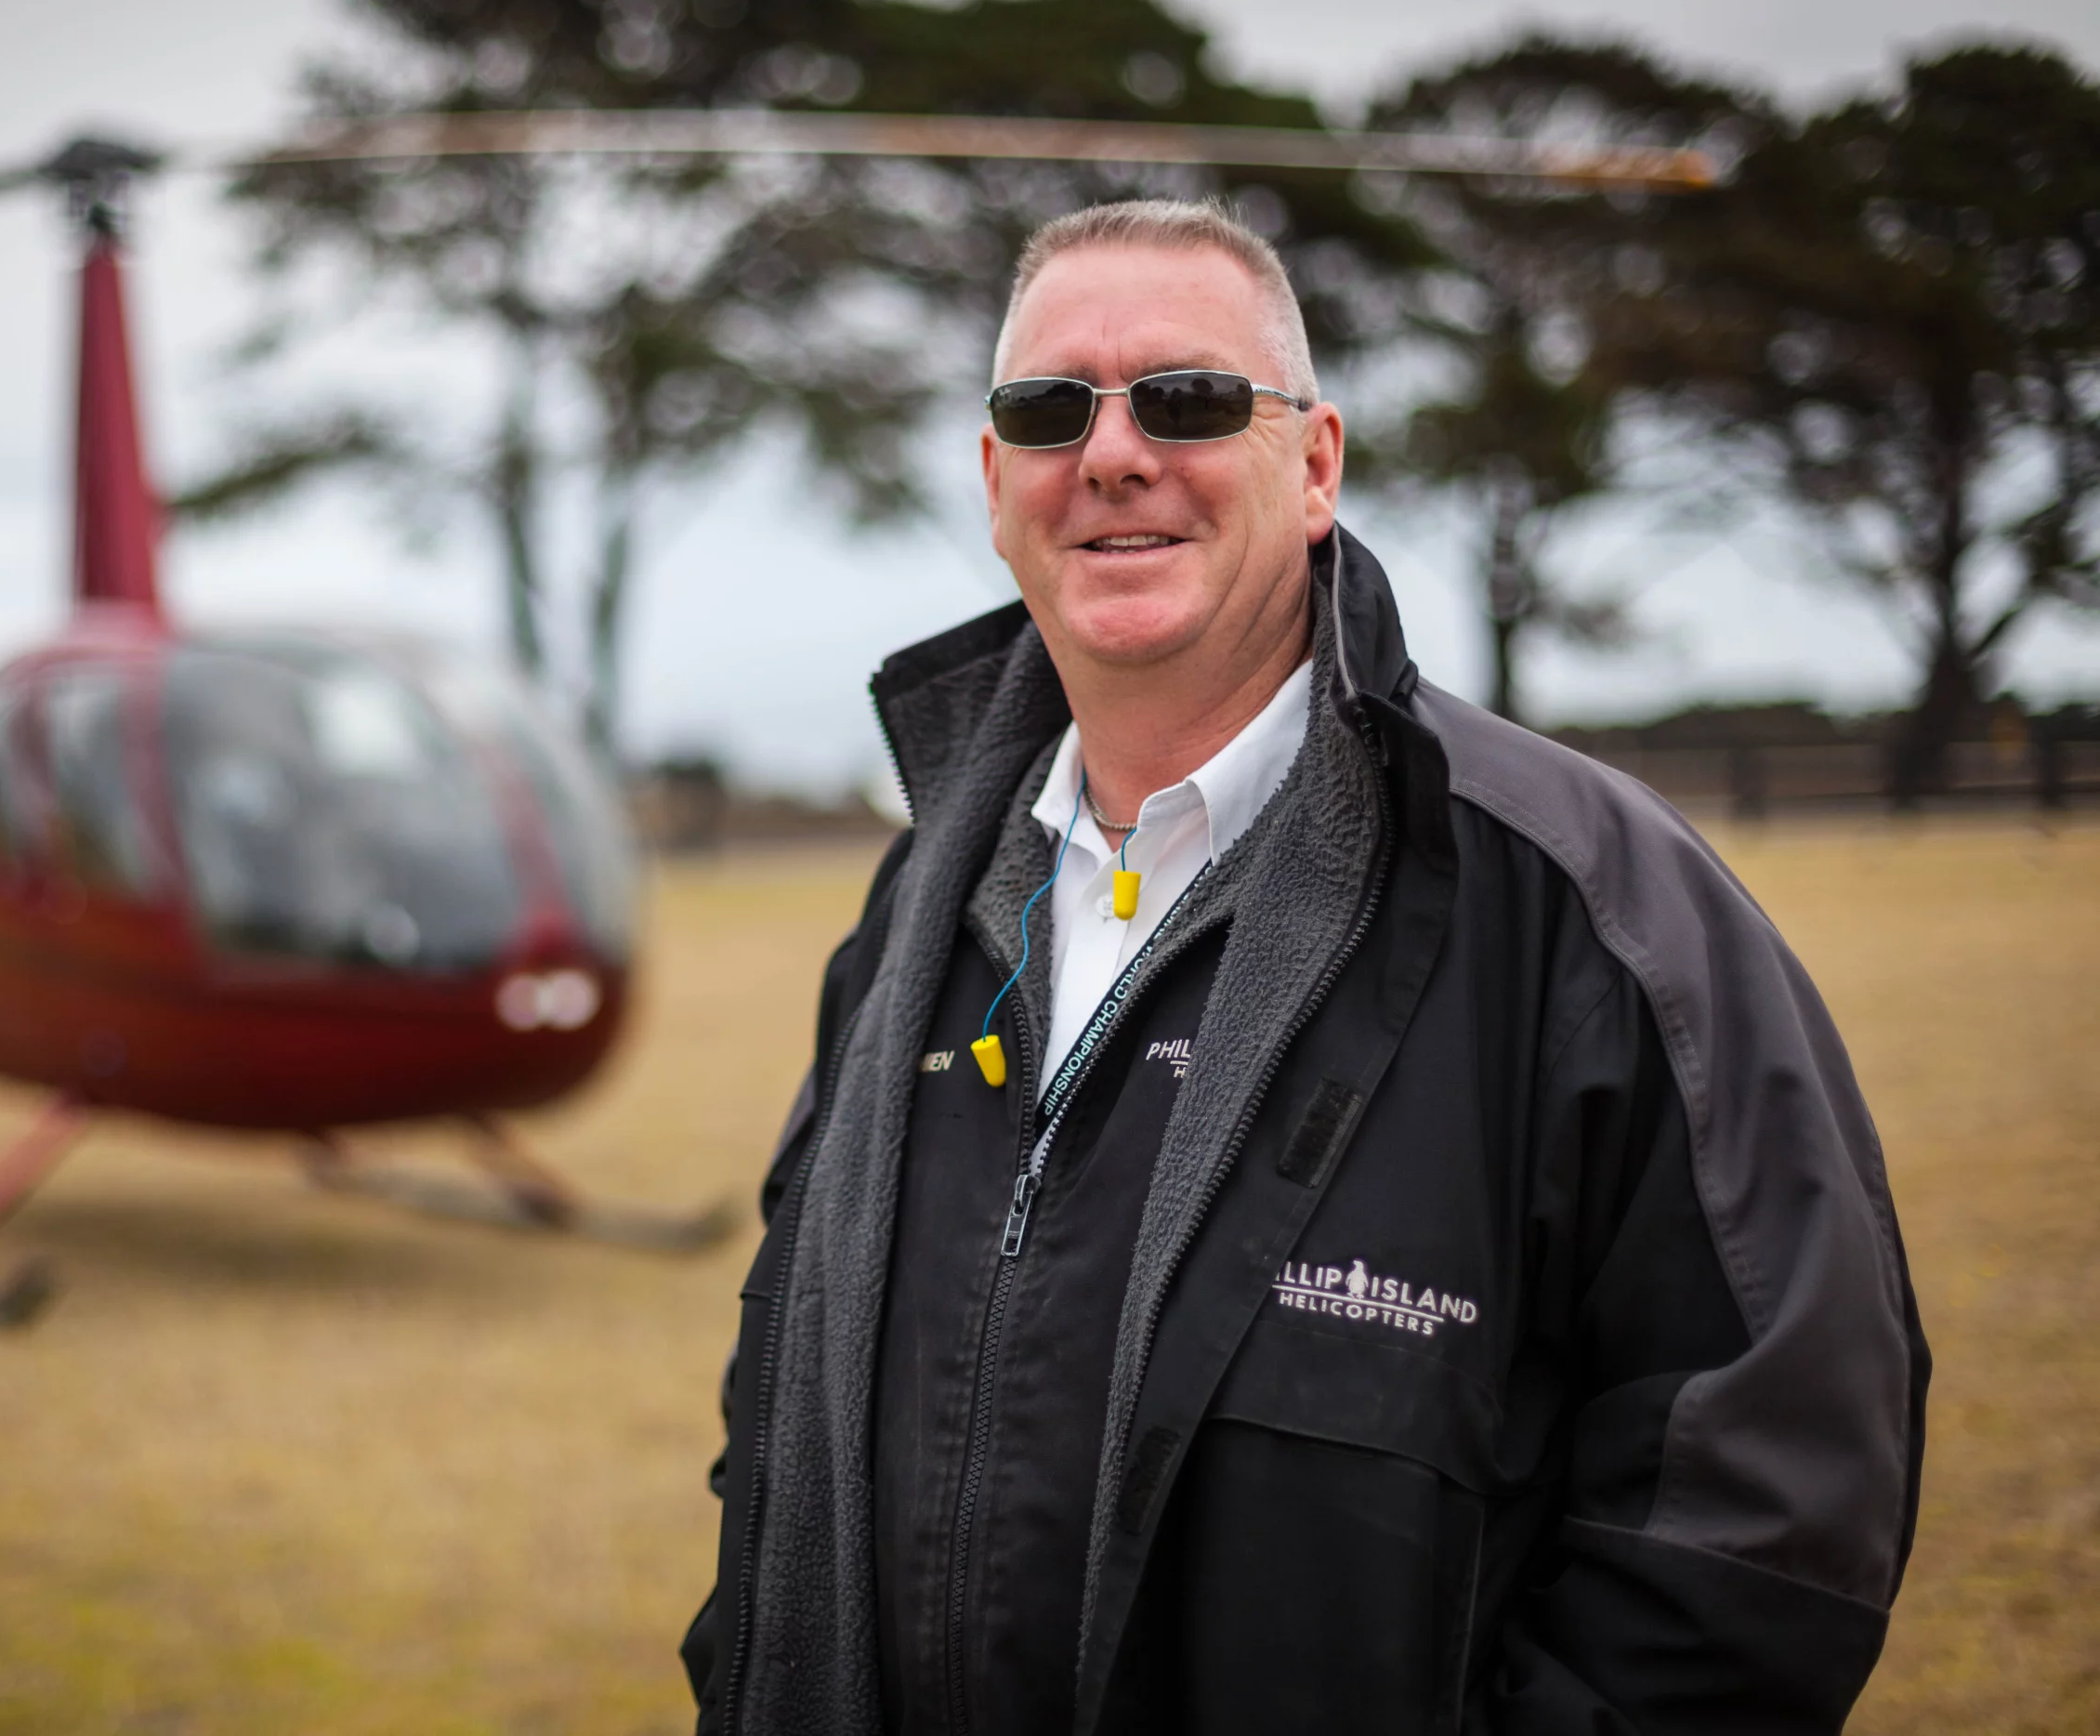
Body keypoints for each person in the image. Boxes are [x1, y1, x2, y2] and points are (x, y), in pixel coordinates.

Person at [680, 198, 1926, 1735]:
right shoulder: (916, 915)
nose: (1114, 454)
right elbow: (779, 1407)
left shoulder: (1584, 899)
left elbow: (1768, 1497)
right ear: (997, 481)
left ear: (1318, 464)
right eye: (1050, 409)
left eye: (1190, 399)